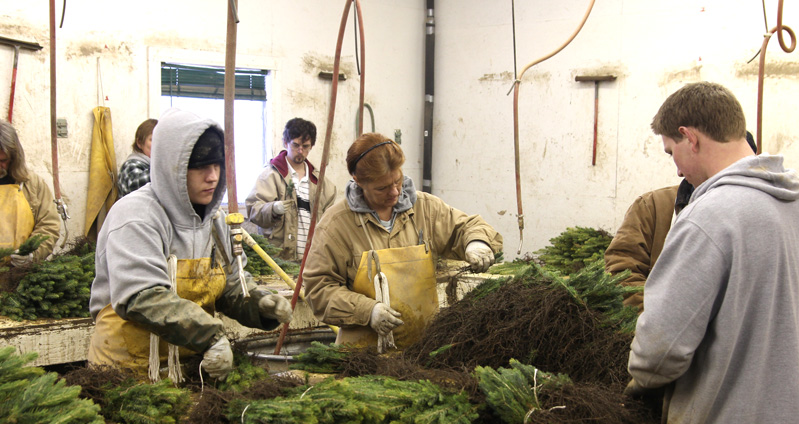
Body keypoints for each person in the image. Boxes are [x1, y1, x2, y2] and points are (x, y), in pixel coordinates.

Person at [625, 82, 799, 424]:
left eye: (671, 152)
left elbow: (660, 350)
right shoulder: (792, 207)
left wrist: (636, 385)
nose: (676, 169)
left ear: (690, 137)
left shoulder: (710, 216)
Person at [88, 108, 292, 381]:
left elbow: (231, 285)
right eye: (200, 167)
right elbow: (142, 297)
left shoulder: (216, 221)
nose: (212, 176)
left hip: (191, 367)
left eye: (217, 165)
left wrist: (259, 303)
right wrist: (210, 335)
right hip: (128, 372)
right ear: (172, 165)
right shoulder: (136, 215)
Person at [303, 132, 502, 351]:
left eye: (397, 181)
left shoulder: (425, 208)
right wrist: (367, 311)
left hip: (423, 349)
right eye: (382, 188)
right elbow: (318, 289)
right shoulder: (336, 224)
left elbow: (467, 227)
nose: (395, 192)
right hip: (361, 355)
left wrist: (476, 242)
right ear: (358, 181)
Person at [605, 132, 758, 310]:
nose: (679, 172)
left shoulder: (761, 217)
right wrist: (654, 317)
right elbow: (622, 269)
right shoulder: (652, 207)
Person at [245, 118, 338, 261]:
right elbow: (253, 209)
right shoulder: (270, 176)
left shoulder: (322, 184)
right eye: (295, 145)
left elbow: (329, 224)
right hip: (280, 260)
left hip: (312, 260)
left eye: (305, 146)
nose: (300, 151)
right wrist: (272, 209)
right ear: (285, 142)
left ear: (311, 146)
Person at [0, 120, 61, 266]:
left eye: (3, 160)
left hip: (20, 273)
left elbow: (49, 226)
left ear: (14, 157)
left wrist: (32, 254)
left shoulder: (32, 184)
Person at [117, 118, 157, 198]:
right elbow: (135, 185)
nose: (157, 144)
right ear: (139, 142)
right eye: (152, 139)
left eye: (159, 140)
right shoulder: (130, 165)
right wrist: (164, 166)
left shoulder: (151, 164)